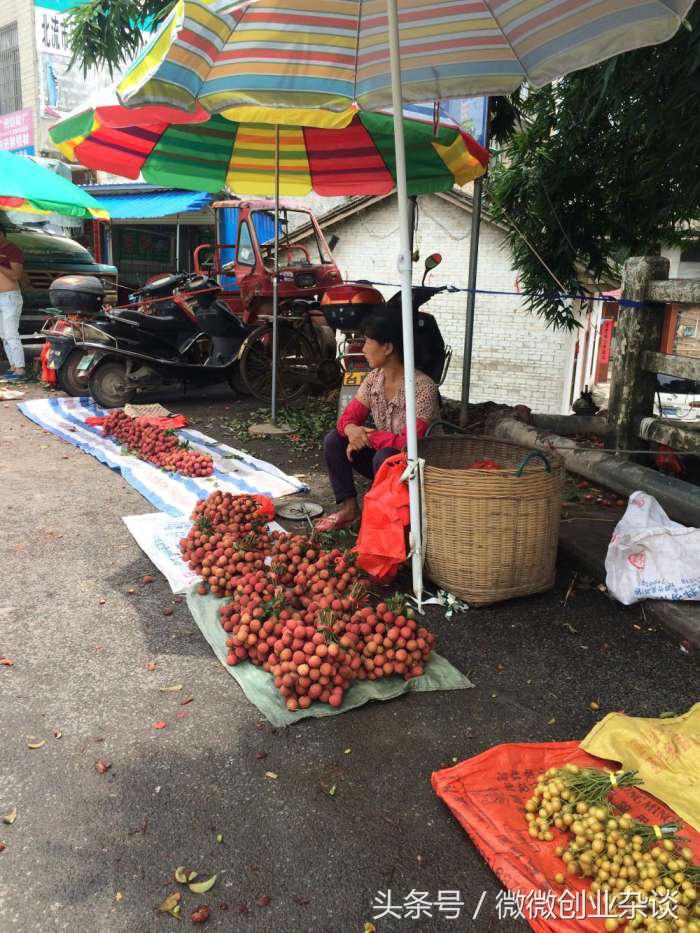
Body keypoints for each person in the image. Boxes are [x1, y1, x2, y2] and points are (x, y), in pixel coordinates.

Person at [316, 309, 440, 532]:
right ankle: (350, 508)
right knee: (335, 440)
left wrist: (368, 436)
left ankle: (388, 523)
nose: (363, 349)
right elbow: (347, 418)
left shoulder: (423, 388)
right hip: (386, 459)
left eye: (368, 342)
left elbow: (409, 443)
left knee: (385, 457)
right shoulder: (374, 378)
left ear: (388, 347)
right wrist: (352, 429)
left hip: (418, 469)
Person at [0, 228, 25, 381]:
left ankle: (20, 369)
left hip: (10, 297)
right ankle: (13, 367)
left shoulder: (13, 250)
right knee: (3, 335)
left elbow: (16, 275)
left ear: (2, 234)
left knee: (10, 334)